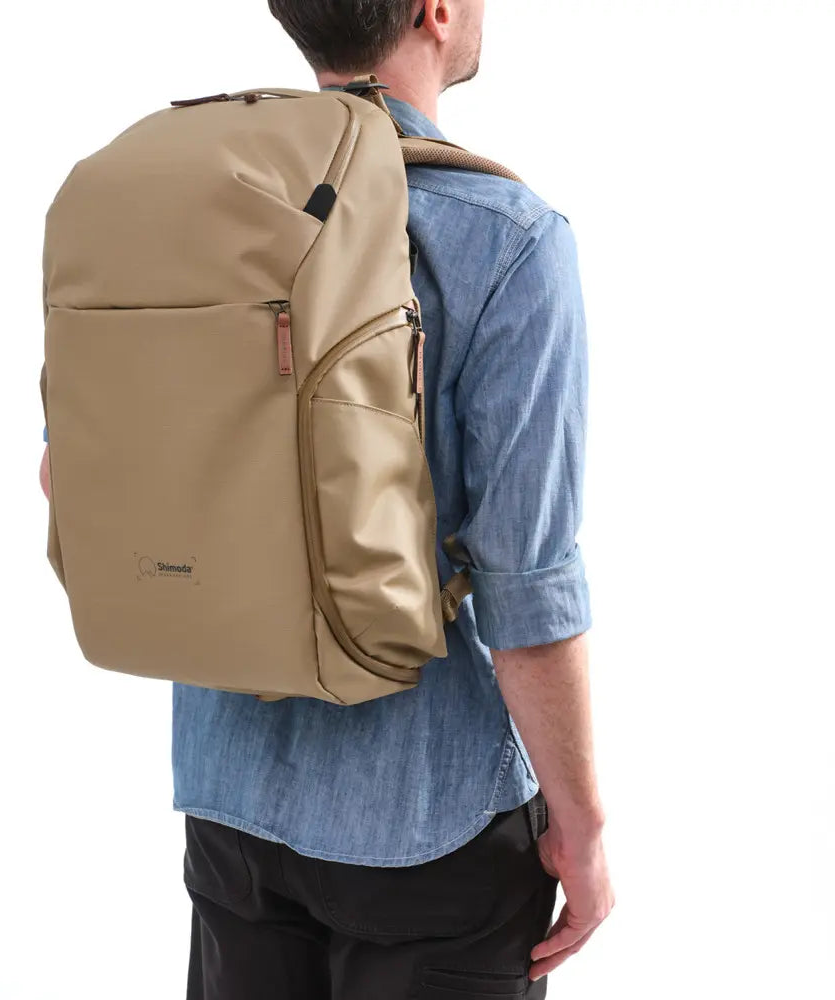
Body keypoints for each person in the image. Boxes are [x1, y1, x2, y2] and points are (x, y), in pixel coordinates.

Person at [40, 3, 613, 997]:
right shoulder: (505, 236)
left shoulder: (185, 201)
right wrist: (583, 826)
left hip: (229, 806)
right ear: (436, 11)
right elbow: (528, 580)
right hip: (431, 823)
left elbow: (66, 473)